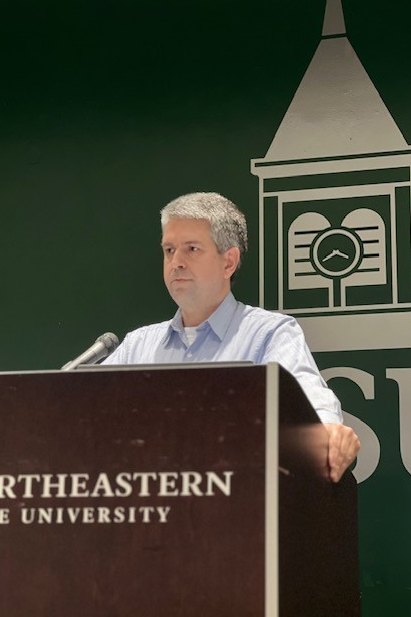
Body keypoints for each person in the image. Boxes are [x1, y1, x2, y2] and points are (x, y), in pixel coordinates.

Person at [103, 192, 360, 482]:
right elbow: (82, 416)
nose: (176, 262)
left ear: (229, 262)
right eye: (168, 250)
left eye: (192, 249)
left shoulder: (269, 334)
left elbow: (311, 406)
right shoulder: (137, 346)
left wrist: (327, 432)